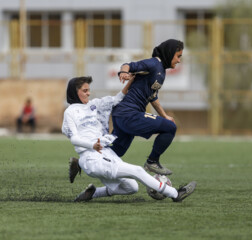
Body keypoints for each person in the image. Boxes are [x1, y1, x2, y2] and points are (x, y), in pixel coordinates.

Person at [62, 76, 196, 202]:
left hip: (106, 153)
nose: (88, 93)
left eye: (89, 90)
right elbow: (74, 139)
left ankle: (93, 193)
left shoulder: (95, 105)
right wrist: (92, 145)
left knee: (132, 187)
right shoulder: (70, 112)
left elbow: (117, 99)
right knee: (137, 170)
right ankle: (175, 194)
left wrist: (131, 81)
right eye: (84, 91)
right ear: (75, 92)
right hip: (92, 157)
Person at [110, 39, 184, 176]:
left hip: (121, 115)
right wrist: (123, 72)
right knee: (170, 128)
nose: (179, 60)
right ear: (170, 53)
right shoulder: (154, 63)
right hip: (129, 114)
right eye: (178, 56)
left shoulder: (161, 71)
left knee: (114, 153)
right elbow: (128, 65)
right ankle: (152, 161)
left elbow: (152, 97)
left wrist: (165, 116)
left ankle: (80, 162)